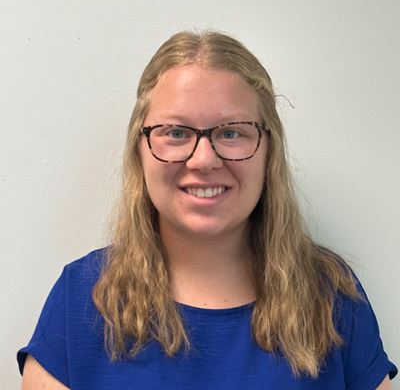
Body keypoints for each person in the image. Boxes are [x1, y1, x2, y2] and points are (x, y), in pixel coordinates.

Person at [18, 30, 397, 389]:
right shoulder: (81, 297)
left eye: (231, 132)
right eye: (176, 132)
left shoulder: (332, 295)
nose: (203, 160)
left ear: (269, 151)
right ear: (139, 149)